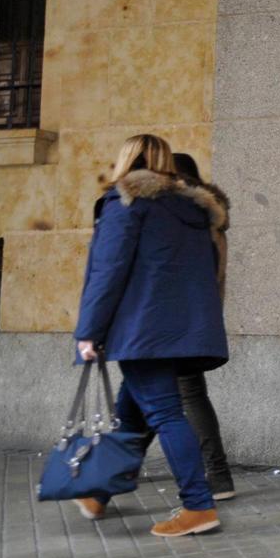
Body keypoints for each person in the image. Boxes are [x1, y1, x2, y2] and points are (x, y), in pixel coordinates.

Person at [72, 134, 229, 537]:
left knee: (165, 414)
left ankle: (198, 506)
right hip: (178, 329)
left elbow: (108, 272)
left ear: (127, 159)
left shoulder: (126, 203)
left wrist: (89, 331)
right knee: (131, 412)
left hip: (142, 329)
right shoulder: (194, 211)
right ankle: (98, 491)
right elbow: (209, 273)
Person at [116, 153, 236, 501]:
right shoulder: (205, 220)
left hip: (170, 323)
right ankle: (123, 470)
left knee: (177, 397)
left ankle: (215, 475)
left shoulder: (184, 221)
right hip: (186, 322)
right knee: (146, 396)